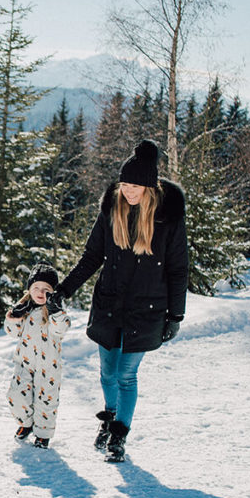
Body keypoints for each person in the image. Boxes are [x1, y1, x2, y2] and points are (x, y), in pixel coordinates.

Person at [48, 139, 188, 462]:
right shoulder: (112, 208)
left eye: (135, 186)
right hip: (110, 303)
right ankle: (110, 417)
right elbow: (91, 255)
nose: (128, 191)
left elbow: (179, 270)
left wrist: (176, 316)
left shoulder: (168, 218)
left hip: (148, 309)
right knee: (107, 372)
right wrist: (65, 290)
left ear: (149, 187)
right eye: (124, 184)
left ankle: (119, 436)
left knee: (127, 375)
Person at [4, 263, 73, 449]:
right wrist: (14, 317)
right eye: (36, 288)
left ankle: (43, 434)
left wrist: (55, 311)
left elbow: (61, 328)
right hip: (24, 363)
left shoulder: (55, 313)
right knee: (16, 395)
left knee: (46, 401)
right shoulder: (25, 309)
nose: (40, 292)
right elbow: (12, 332)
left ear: (53, 292)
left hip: (48, 367)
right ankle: (26, 423)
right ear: (29, 290)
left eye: (46, 289)